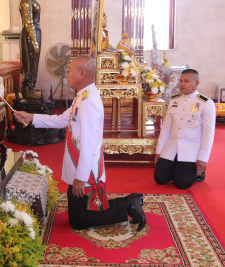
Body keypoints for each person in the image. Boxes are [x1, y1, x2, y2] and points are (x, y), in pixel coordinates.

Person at [14, 56, 146, 231]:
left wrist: (81, 178)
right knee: (77, 216)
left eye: (70, 70)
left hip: (87, 171)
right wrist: (31, 117)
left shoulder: (88, 102)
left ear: (82, 73)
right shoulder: (83, 96)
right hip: (77, 166)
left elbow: (90, 145)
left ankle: (128, 204)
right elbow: (62, 120)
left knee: (79, 221)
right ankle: (128, 203)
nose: (67, 74)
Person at [154, 69, 216, 189]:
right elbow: (166, 128)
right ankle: (178, 168)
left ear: (196, 83)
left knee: (182, 184)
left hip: (190, 150)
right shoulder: (174, 100)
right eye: (181, 81)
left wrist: (202, 159)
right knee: (160, 179)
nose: (182, 84)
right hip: (172, 147)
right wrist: (159, 151)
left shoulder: (205, 103)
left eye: (186, 81)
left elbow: (209, 134)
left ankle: (196, 172)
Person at [19, 0, 41, 99]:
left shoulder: (32, 1)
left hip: (36, 32)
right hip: (30, 34)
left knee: (35, 62)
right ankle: (28, 89)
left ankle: (32, 88)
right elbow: (29, 22)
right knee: (30, 62)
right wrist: (34, 42)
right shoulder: (26, 2)